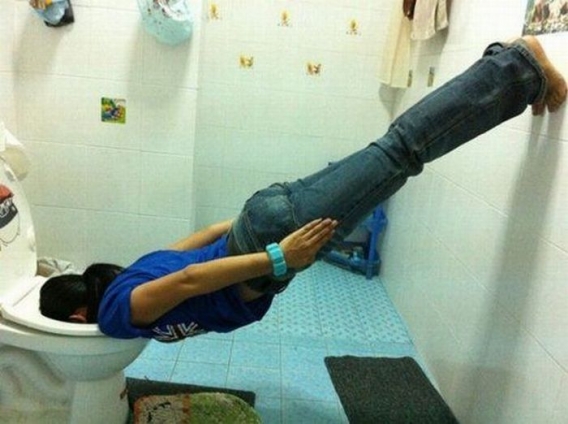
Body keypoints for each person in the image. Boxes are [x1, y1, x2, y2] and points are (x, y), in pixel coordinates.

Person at [40, 36, 566, 342]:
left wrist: (278, 256)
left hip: (271, 240)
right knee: (396, 150)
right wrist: (250, 229)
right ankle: (505, 66)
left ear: (79, 316)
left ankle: (514, 67)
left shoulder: (117, 315)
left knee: (403, 151)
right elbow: (191, 245)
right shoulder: (124, 276)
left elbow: (190, 279)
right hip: (259, 220)